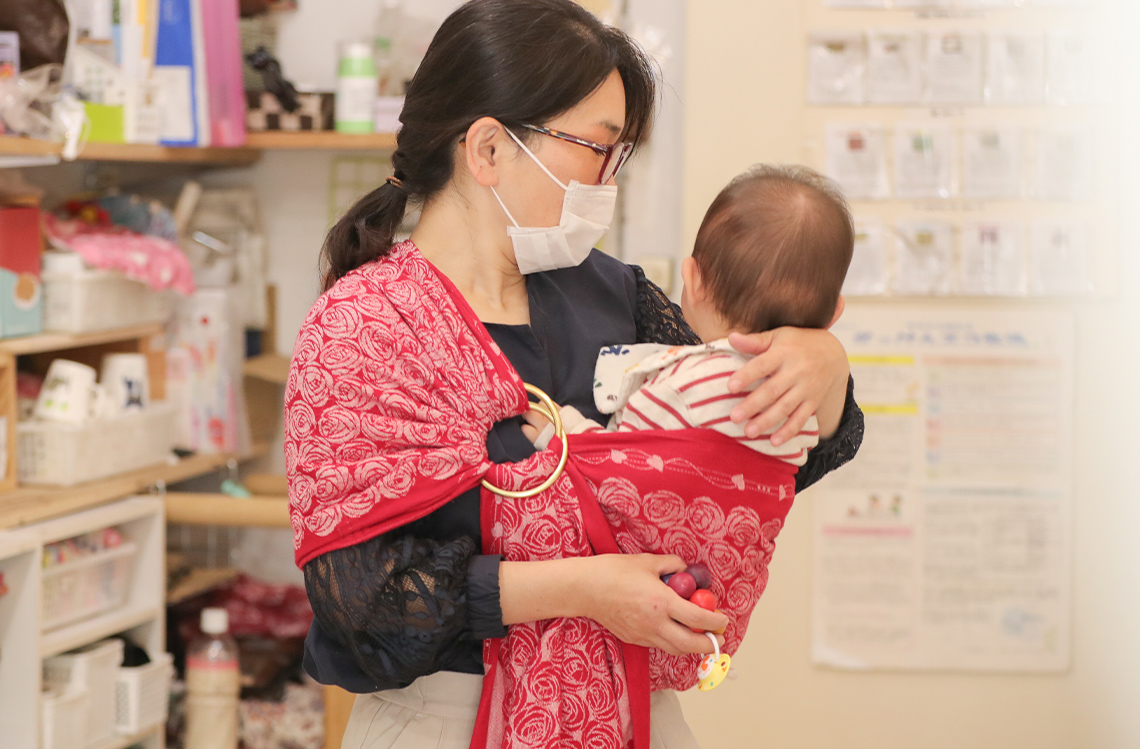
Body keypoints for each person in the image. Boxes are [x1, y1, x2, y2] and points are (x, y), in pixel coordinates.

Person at [285, 1, 864, 747]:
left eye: (620, 152)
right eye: (595, 148)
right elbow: (363, 606)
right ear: (488, 149)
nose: (608, 177)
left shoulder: (615, 295)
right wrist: (584, 590)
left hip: (630, 710)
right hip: (443, 719)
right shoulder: (365, 326)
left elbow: (748, 457)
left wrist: (824, 362)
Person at [548, 164, 854, 467]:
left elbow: (616, 461)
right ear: (833, 315)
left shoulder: (681, 387)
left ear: (692, 280)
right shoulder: (798, 406)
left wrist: (565, 429)